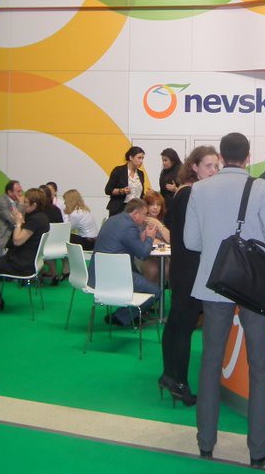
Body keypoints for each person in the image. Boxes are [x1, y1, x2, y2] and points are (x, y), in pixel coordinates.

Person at [184, 132, 265, 467]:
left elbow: (191, 241)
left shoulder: (200, 189)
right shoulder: (261, 188)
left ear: (222, 156)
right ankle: (259, 448)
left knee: (211, 363)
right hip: (252, 286)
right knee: (260, 365)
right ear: (248, 156)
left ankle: (205, 442)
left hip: (213, 283)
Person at [160, 145, 219, 407]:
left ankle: (169, 376)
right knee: (183, 325)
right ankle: (180, 383)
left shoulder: (186, 193)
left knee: (176, 322)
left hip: (184, 266)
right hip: (190, 269)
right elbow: (191, 238)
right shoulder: (190, 194)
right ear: (194, 166)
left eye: (216, 166)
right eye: (208, 165)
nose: (214, 170)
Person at [87, 198, 160, 326]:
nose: (145, 218)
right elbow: (142, 254)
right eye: (144, 214)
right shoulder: (129, 227)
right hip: (113, 276)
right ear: (135, 214)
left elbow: (125, 242)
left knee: (140, 276)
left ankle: (131, 314)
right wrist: (150, 237)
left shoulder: (113, 220)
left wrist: (141, 238)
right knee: (156, 292)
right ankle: (121, 317)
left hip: (96, 273)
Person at [0, 188, 51, 311]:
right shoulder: (42, 217)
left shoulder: (35, 220)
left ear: (34, 205)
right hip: (30, 261)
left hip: (22, 265)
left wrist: (17, 223)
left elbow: (17, 241)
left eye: (26, 202)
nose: (23, 204)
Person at [137, 189, 170, 285]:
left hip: (162, 256)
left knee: (167, 268)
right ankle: (149, 292)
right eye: (152, 204)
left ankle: (159, 292)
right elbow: (143, 240)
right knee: (153, 270)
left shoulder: (164, 219)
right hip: (144, 256)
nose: (155, 208)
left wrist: (159, 224)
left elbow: (169, 240)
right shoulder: (140, 220)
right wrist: (160, 241)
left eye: (158, 205)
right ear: (146, 206)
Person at [105, 146, 146, 217]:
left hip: (136, 209)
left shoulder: (140, 173)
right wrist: (121, 191)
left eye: (142, 158)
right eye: (139, 158)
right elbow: (108, 190)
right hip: (119, 208)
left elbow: (140, 194)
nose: (141, 161)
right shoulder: (118, 171)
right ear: (131, 157)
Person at [0, 180, 23, 255]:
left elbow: (21, 218)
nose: (21, 194)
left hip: (11, 232)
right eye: (18, 192)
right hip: (1, 235)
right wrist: (21, 204)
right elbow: (13, 221)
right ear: (9, 192)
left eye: (21, 191)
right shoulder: (1, 202)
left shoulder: (16, 201)